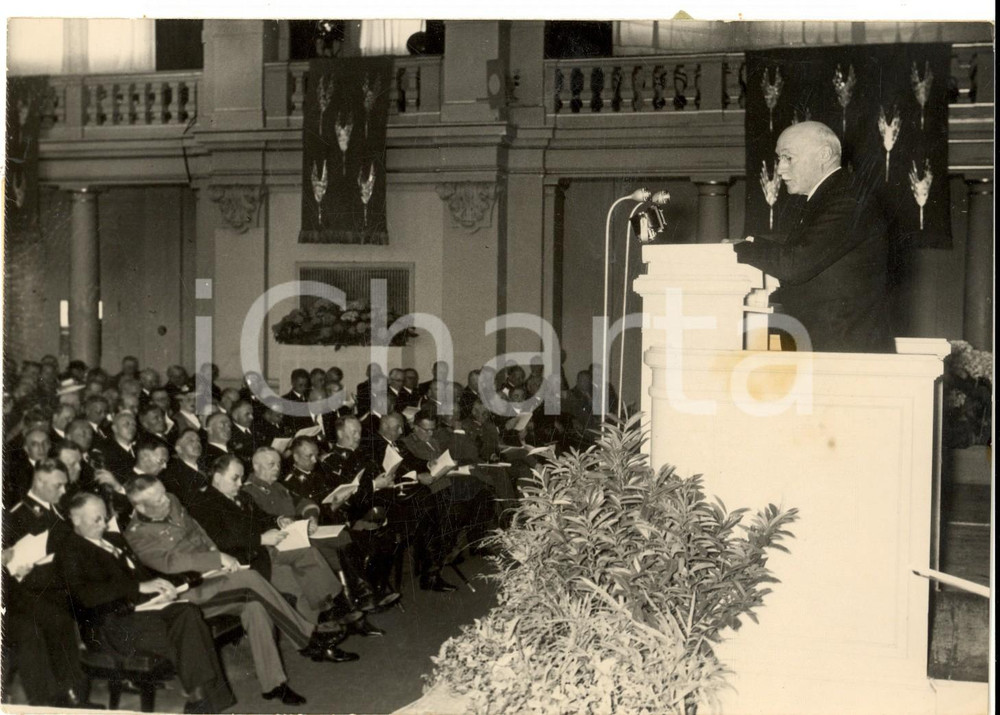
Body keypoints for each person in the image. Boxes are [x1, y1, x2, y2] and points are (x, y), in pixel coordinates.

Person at [58, 492, 236, 713]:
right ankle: (204, 702)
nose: (103, 524)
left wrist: (162, 590)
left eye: (105, 517)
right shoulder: (70, 550)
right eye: (96, 519)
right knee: (188, 632)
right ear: (76, 519)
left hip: (142, 611)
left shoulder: (114, 540)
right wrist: (138, 588)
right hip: (110, 625)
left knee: (189, 612)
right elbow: (85, 595)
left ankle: (201, 701)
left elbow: (142, 576)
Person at [734, 121, 893, 353]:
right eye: (779, 159)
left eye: (788, 158)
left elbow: (794, 264)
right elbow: (800, 250)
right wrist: (751, 243)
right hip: (830, 349)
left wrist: (737, 250)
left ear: (824, 155)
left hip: (845, 354)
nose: (780, 169)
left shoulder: (847, 200)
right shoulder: (831, 195)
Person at [186, 455, 347, 627]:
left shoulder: (242, 496)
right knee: (291, 579)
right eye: (235, 478)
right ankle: (314, 628)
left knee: (308, 553)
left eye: (241, 478)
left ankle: (331, 607)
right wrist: (260, 539)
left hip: (264, 552)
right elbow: (219, 540)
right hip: (244, 561)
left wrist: (279, 520)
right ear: (218, 478)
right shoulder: (204, 503)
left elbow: (261, 518)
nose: (240, 483)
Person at [1, 460, 93, 708]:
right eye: (58, 485)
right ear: (40, 481)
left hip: (58, 585)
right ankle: (62, 697)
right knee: (54, 616)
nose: (63, 491)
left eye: (64, 485)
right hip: (30, 591)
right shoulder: (16, 516)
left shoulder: (58, 509)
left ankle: (74, 693)